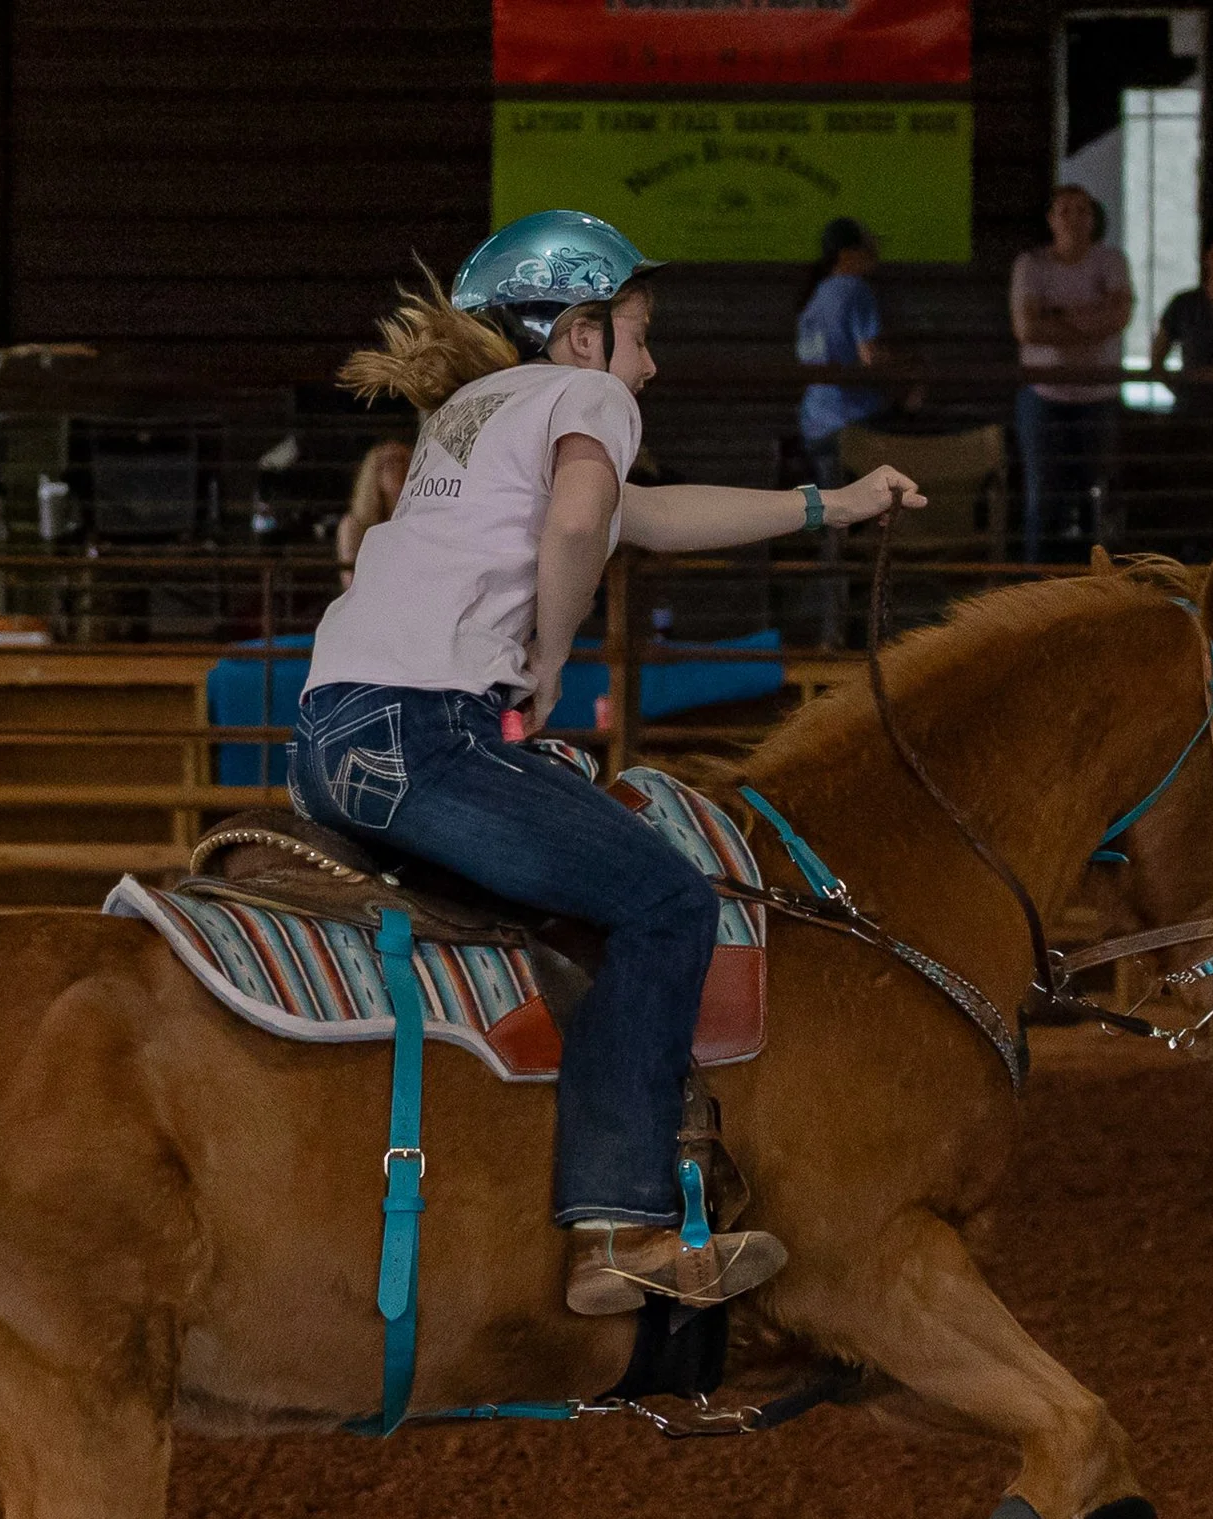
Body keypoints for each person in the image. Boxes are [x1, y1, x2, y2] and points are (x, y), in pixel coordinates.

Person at [298, 208, 923, 1317]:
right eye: (635, 331)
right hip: (427, 734)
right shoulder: (585, 397)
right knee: (666, 902)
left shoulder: (475, 413)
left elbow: (646, 513)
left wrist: (834, 501)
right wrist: (544, 664)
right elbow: (585, 524)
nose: (649, 358)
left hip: (336, 738)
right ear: (579, 335)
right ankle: (618, 1229)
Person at [1010, 185, 1134, 563]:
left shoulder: (1111, 261)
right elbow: (1028, 329)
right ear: (1050, 218)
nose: (1074, 219)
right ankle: (1037, 585)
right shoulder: (1031, 264)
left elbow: (1118, 318)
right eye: (1064, 211)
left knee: (1095, 497)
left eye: (1082, 211)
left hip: (1099, 398)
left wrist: (1058, 316)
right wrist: (1090, 319)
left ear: (1094, 218)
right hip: (1044, 397)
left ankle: (1095, 585)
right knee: (1042, 498)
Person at [795, 216, 890, 489]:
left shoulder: (817, 295)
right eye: (869, 248)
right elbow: (869, 357)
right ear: (847, 254)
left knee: (834, 505)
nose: (876, 255)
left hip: (814, 422)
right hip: (851, 421)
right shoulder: (857, 290)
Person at [1152, 234, 1213, 412]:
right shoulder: (1184, 304)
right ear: (1206, 257)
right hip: (1191, 413)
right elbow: (1157, 360)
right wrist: (1182, 388)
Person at [336, 437, 415, 582]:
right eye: (388, 462)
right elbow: (350, 581)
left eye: (402, 460)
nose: (397, 468)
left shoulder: (420, 519)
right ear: (373, 471)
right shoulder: (354, 525)